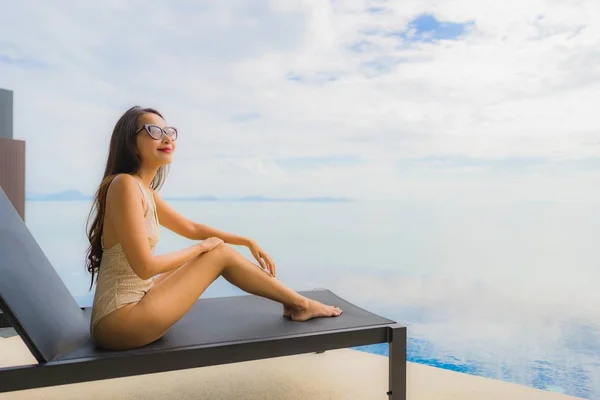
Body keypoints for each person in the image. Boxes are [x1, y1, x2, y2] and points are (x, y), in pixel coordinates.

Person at [85, 106, 342, 351]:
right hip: (120, 323)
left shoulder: (143, 190)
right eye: (154, 131)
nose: (166, 138)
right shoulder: (125, 185)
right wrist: (204, 247)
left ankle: (295, 304)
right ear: (131, 143)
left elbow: (191, 227)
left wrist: (245, 240)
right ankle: (300, 304)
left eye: (169, 131)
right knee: (218, 253)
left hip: (134, 306)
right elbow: (146, 267)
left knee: (218, 250)